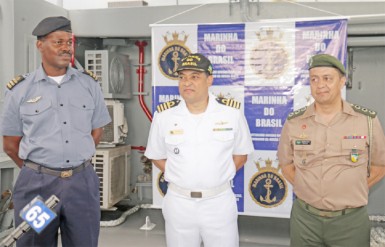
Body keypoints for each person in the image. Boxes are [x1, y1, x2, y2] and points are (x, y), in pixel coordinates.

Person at [0, 16, 111, 247]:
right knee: (34, 242)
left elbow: (96, 132)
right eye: (58, 42)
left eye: (69, 42)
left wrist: (74, 164)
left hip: (81, 185)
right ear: (40, 45)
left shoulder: (89, 85)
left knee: (84, 242)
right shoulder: (20, 90)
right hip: (37, 187)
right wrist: (41, 170)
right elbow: (10, 144)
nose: (65, 48)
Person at [145, 53, 254, 247]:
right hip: (179, 203)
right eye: (182, 77)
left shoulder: (231, 114)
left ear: (209, 80)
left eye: (194, 77)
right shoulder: (164, 116)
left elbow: (241, 155)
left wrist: (219, 175)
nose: (187, 82)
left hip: (219, 203)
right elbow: (156, 155)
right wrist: (180, 174)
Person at [277, 53, 385, 247]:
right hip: (305, 220)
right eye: (314, 79)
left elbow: (379, 166)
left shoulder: (367, 121)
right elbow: (286, 165)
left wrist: (350, 189)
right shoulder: (294, 122)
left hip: (350, 222)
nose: (320, 85)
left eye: (328, 78)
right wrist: (309, 188)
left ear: (342, 81)